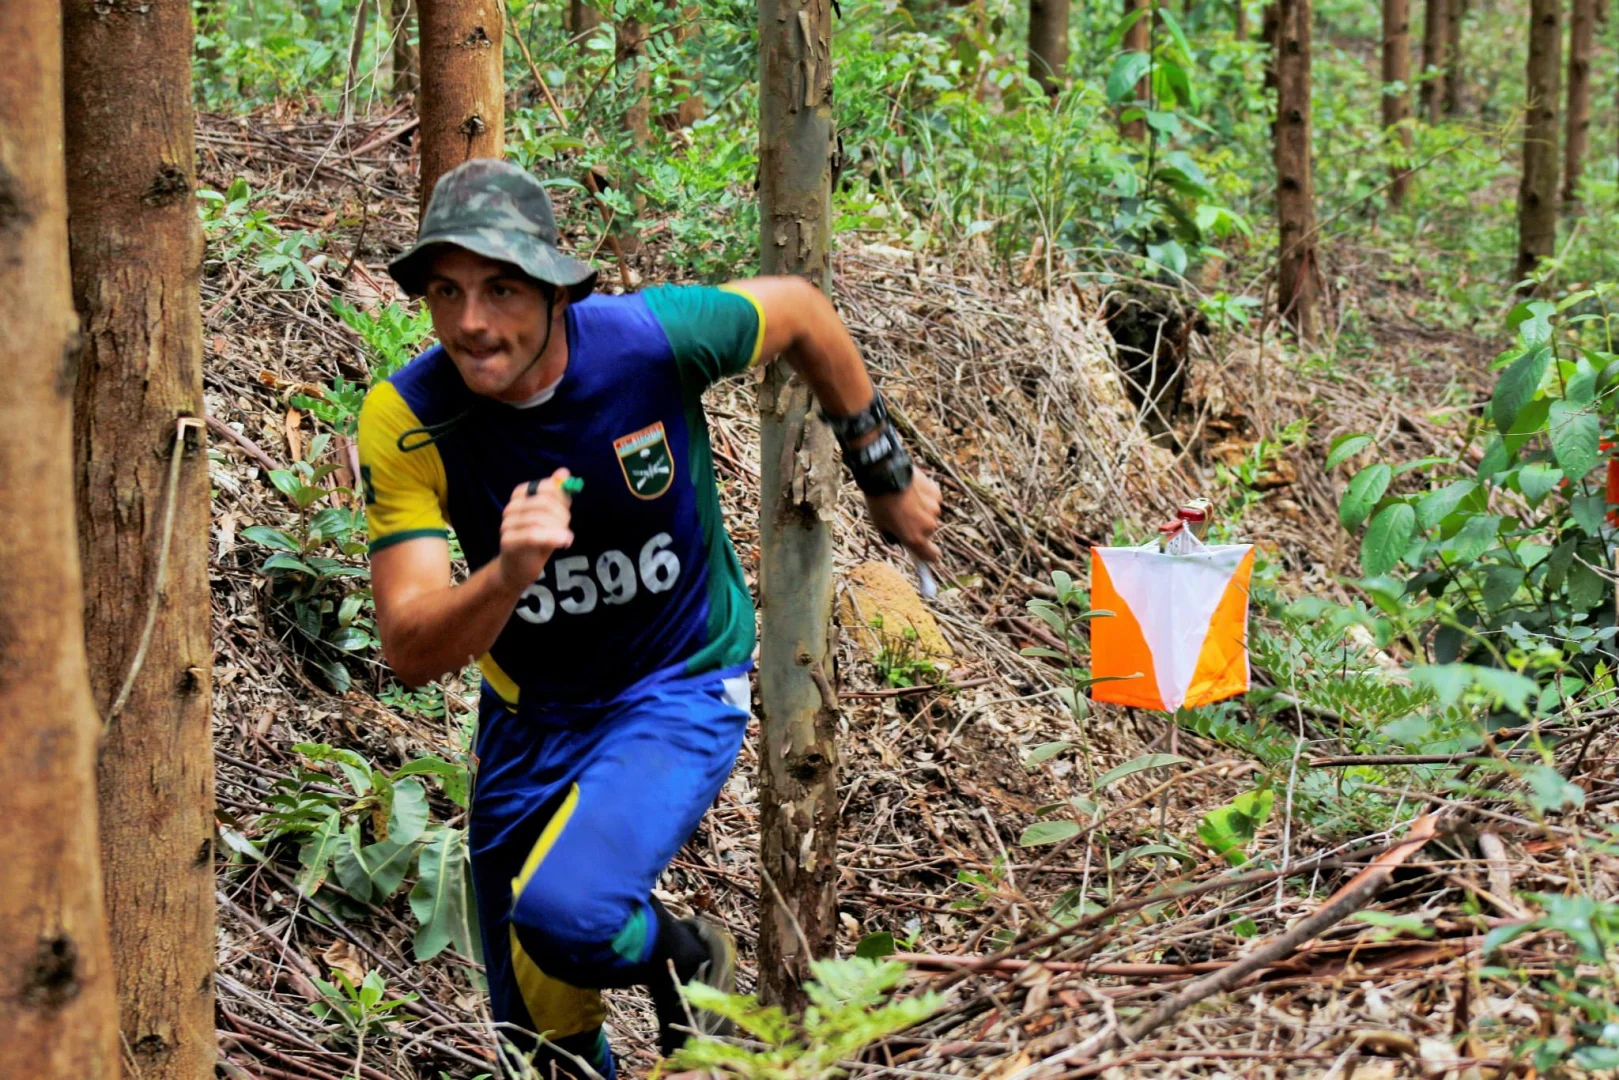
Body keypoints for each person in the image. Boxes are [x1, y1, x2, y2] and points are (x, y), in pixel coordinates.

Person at [358, 159, 942, 1078]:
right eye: (446, 291)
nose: (471, 323)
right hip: (530, 718)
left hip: (675, 682)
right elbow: (410, 647)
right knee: (537, 1044)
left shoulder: (646, 342)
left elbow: (797, 307)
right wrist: (506, 575)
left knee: (569, 915)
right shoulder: (408, 418)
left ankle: (684, 953)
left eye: (502, 288)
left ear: (555, 288)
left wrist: (883, 470)